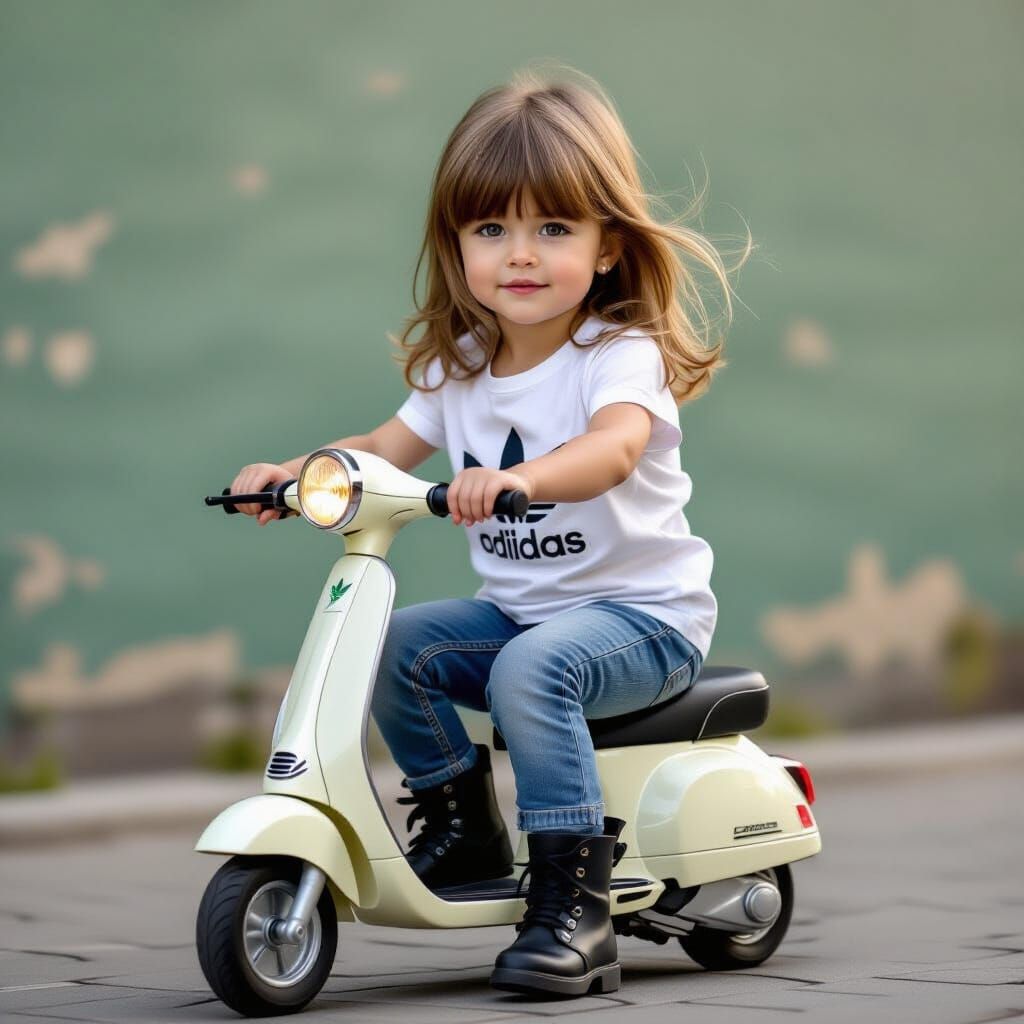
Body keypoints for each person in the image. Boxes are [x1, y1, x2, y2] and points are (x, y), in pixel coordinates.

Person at [230, 65, 749, 998]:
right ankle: (466, 828)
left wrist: (521, 478)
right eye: (491, 228)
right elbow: (384, 448)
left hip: (644, 620)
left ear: (604, 247)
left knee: (528, 670)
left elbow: (614, 450)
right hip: (524, 612)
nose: (520, 252)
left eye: (553, 227)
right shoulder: (463, 364)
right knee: (397, 649)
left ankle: (573, 904)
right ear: (456, 242)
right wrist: (298, 473)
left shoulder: (616, 356)